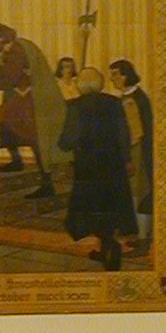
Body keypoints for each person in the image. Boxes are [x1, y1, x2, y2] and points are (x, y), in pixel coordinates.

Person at [0, 22, 67, 199]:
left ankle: (47, 183)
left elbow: (11, 79)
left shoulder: (17, 51)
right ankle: (17, 162)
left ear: (2, 37)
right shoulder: (8, 51)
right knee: (3, 123)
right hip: (21, 97)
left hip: (32, 99)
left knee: (35, 139)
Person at [58, 66, 138, 270]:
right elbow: (123, 134)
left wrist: (62, 143)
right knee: (110, 206)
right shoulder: (114, 103)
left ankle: (109, 248)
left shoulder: (75, 106)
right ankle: (107, 248)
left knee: (92, 208)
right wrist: (127, 159)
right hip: (113, 163)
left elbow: (69, 139)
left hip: (89, 166)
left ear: (81, 85)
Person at [108, 58, 153, 255]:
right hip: (135, 153)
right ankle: (140, 238)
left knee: (138, 196)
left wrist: (127, 159)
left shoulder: (131, 101)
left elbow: (133, 135)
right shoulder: (131, 97)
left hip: (136, 154)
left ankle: (142, 241)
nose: (112, 79)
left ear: (126, 75)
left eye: (115, 75)